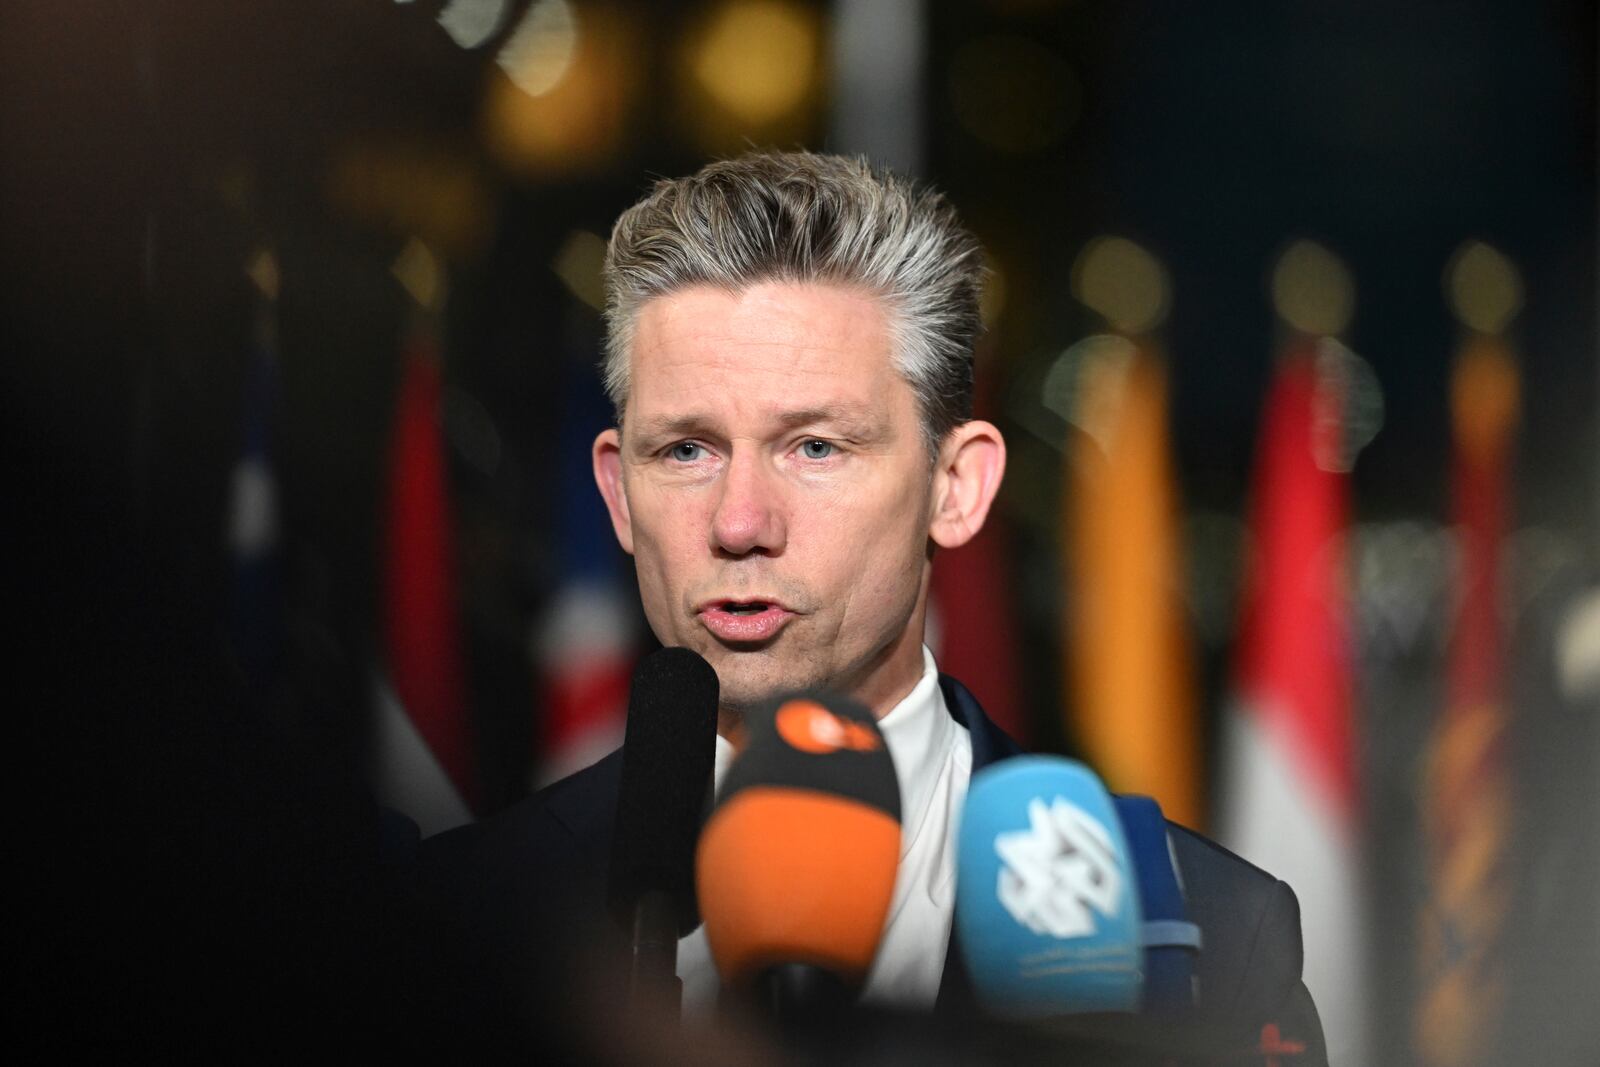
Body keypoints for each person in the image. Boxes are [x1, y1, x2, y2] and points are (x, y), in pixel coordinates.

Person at [422, 151, 1325, 1059]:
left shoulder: (1203, 934)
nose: (740, 523)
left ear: (957, 487)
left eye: (815, 447)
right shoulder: (461, 920)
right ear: (618, 495)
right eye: (687, 451)